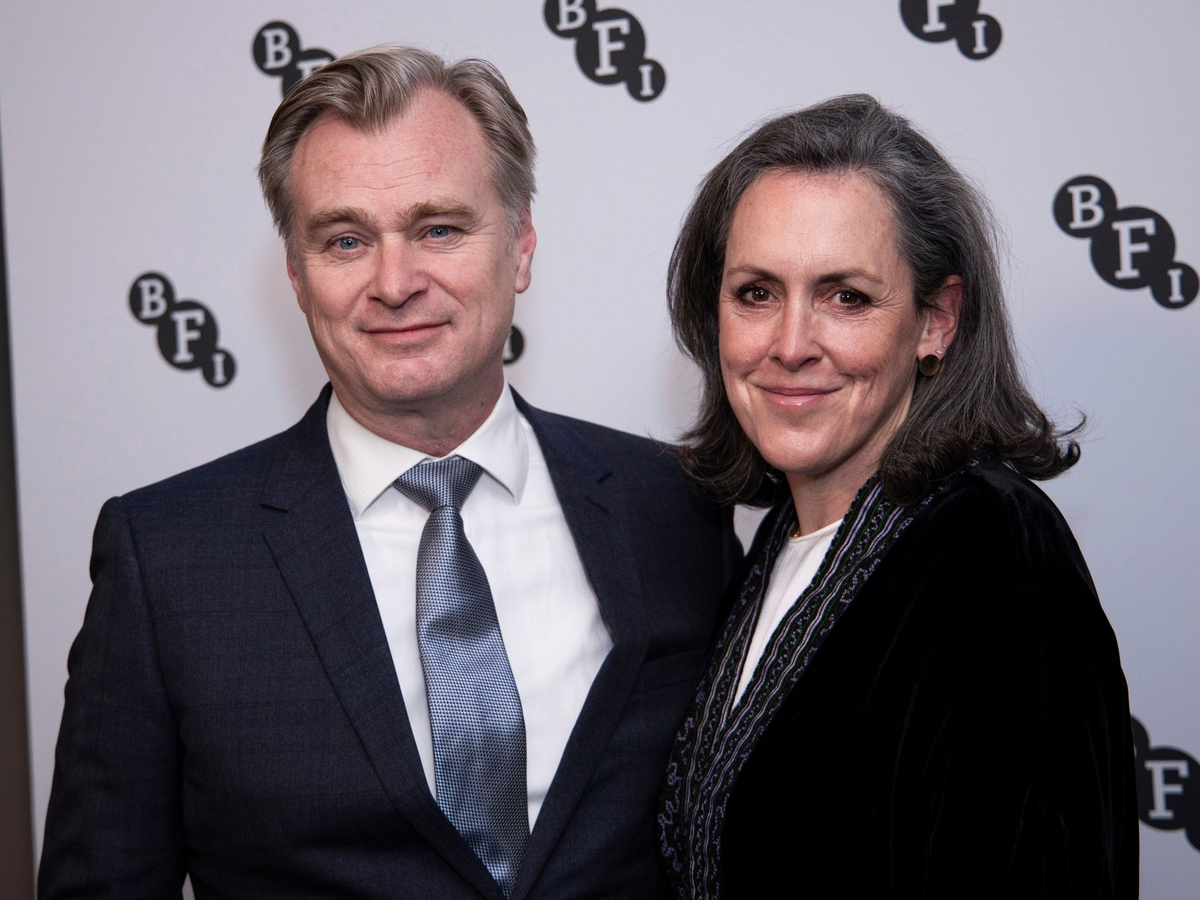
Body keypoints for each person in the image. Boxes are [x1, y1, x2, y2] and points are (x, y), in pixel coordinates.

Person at [39, 45, 741, 899]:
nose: (395, 283)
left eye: (439, 229)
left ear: (520, 245)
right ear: (297, 276)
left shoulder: (673, 506)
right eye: (345, 241)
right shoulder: (167, 560)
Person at [658, 94, 1138, 898]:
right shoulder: (777, 543)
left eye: (846, 296)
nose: (791, 345)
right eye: (756, 292)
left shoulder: (994, 548)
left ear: (936, 321)